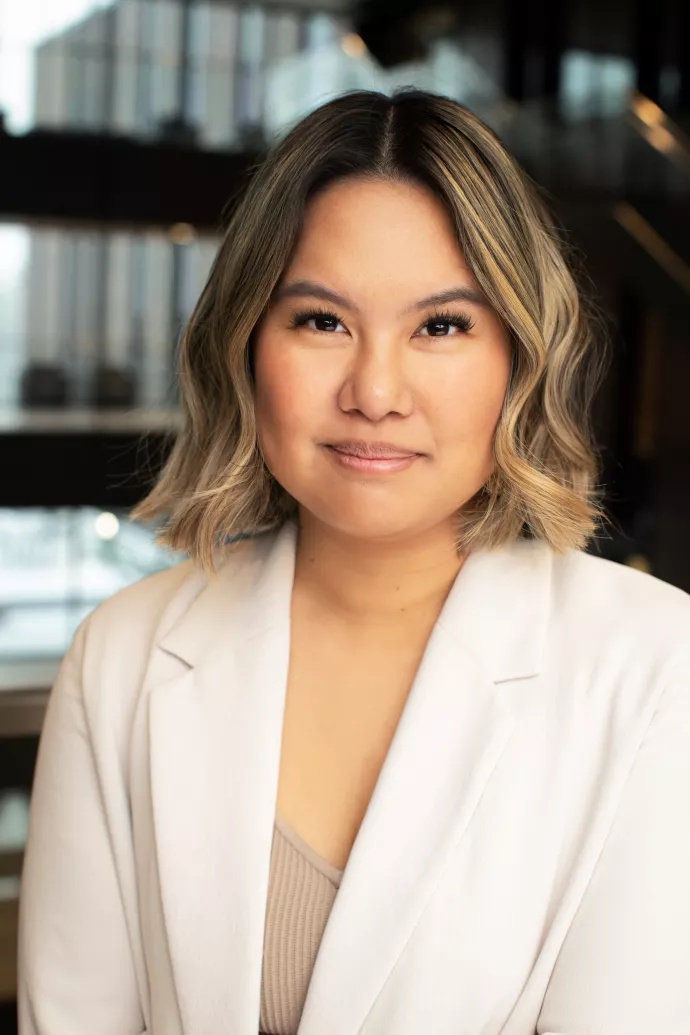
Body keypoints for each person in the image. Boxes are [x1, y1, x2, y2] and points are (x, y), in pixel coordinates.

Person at [17, 88, 690, 1035]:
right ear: (248, 344)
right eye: (322, 320)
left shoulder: (656, 663)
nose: (375, 391)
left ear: (519, 359)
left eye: (442, 326)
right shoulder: (120, 657)